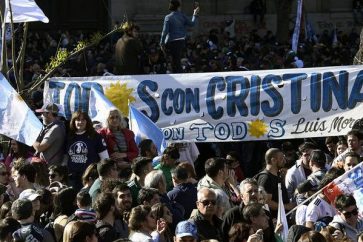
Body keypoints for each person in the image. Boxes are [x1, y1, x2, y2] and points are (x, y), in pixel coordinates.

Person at [67, 111, 109, 191]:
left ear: (87, 121)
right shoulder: (69, 137)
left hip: (90, 178)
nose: (80, 122)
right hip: (73, 177)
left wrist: (102, 176)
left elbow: (105, 159)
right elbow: (66, 157)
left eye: (83, 120)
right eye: (77, 119)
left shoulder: (96, 137)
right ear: (73, 121)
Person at [160, 0, 200, 73]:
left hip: (171, 42)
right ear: (178, 7)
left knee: (173, 62)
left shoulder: (168, 17)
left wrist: (161, 43)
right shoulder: (182, 16)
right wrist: (195, 14)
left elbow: (164, 32)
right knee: (177, 61)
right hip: (181, 41)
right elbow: (192, 24)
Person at [256, 148, 294, 219]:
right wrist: (287, 206)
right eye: (281, 158)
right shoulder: (266, 178)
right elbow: (266, 202)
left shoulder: (277, 175)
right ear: (273, 160)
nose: (284, 161)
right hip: (275, 220)